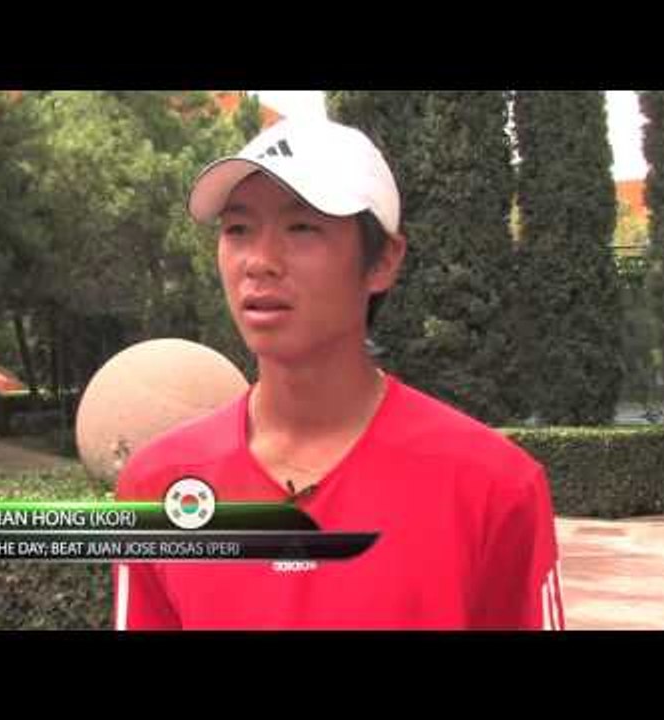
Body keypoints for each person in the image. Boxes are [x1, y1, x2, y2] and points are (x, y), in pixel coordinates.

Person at [111, 117, 565, 630]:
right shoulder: (159, 485)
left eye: (302, 227)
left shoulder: (493, 488)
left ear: (383, 261)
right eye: (238, 229)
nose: (259, 262)